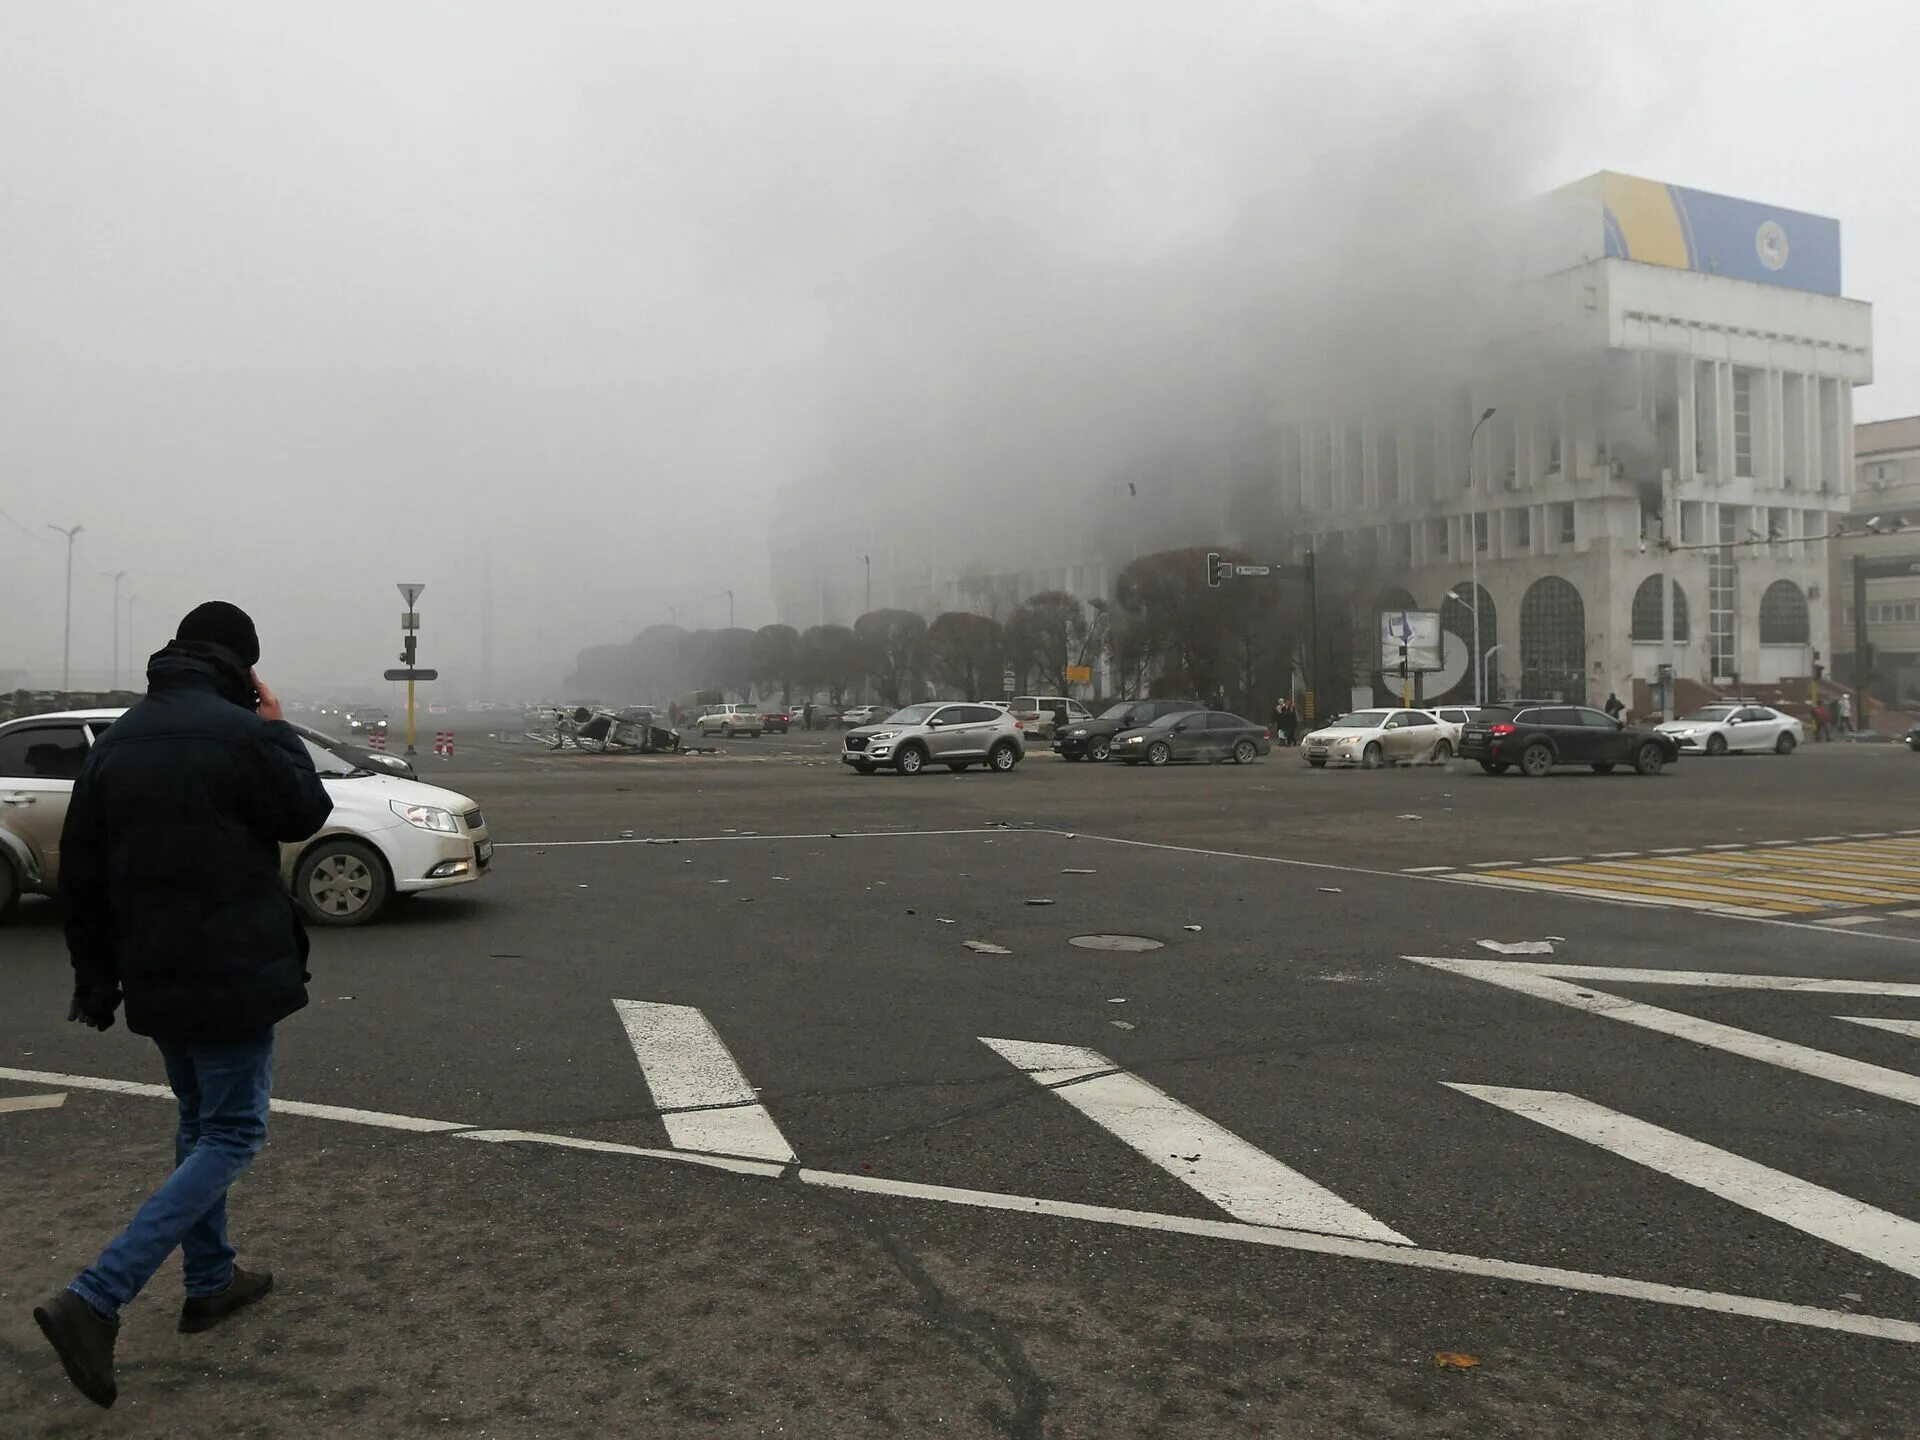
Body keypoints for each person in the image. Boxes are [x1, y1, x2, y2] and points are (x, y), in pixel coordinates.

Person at [33, 602, 334, 1409]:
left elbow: (82, 881)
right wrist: (276, 726)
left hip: (153, 972)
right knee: (235, 1131)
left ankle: (211, 1280)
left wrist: (96, 981)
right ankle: (97, 1296)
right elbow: (306, 812)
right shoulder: (242, 736)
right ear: (243, 665)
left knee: (199, 1123)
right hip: (232, 968)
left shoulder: (118, 743)